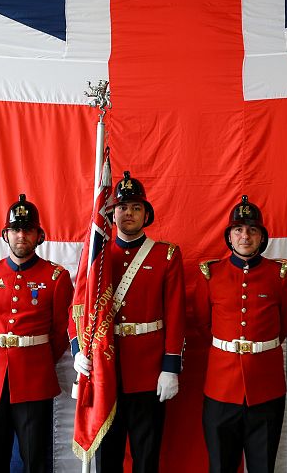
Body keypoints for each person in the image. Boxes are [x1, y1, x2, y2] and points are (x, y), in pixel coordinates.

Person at [71, 171, 186, 473]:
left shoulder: (165, 255)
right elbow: (79, 306)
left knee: (146, 457)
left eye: (136, 207)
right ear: (112, 213)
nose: (129, 213)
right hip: (105, 368)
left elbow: (176, 315)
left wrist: (170, 367)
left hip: (148, 373)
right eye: (122, 207)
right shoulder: (97, 255)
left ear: (146, 214)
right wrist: (78, 350)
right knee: (107, 459)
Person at [0, 194, 73, 473]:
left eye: (28, 230)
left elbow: (61, 331)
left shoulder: (56, 277)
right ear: (6, 234)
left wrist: (35, 357)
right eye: (15, 229)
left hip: (34, 378)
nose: (21, 235)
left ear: (39, 235)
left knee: (35, 459)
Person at [195, 195, 287, 473]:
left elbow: (284, 325)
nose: (245, 236)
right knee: (221, 466)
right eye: (238, 229)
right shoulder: (211, 274)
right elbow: (203, 325)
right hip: (220, 388)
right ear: (229, 236)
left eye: (252, 230)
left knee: (263, 466)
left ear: (262, 236)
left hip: (265, 387)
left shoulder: (279, 275)